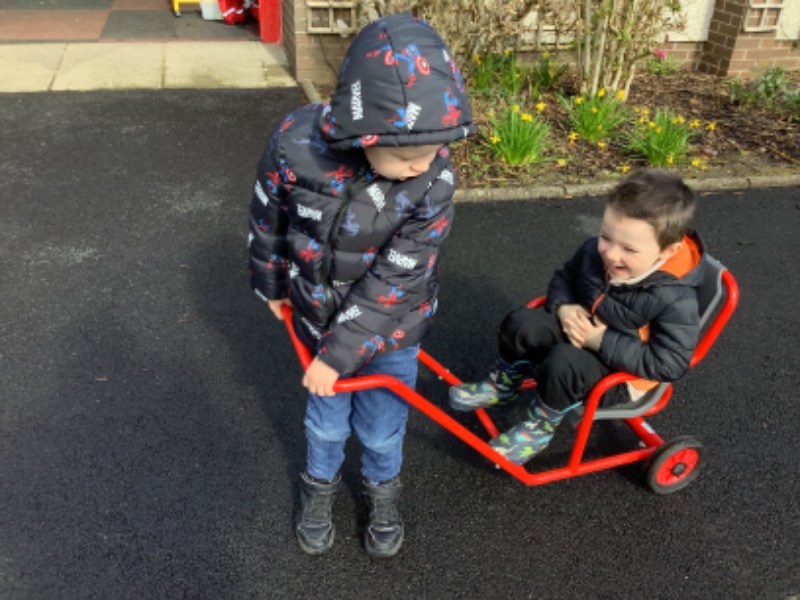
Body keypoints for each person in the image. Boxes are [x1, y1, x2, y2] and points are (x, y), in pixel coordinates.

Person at [248, 14, 474, 557]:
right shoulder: (294, 143)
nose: (422, 164)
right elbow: (268, 217)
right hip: (317, 316)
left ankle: (382, 492)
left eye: (433, 151)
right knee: (325, 424)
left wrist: (335, 357)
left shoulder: (433, 178)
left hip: (393, 328)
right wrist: (272, 282)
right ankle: (319, 488)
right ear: (362, 131)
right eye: (406, 157)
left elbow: (398, 276)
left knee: (380, 425)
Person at [449, 168, 707, 465]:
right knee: (523, 322)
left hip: (621, 376)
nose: (611, 254)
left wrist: (601, 340)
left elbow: (670, 364)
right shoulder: (595, 253)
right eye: (606, 237)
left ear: (668, 251)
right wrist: (563, 306)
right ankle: (503, 384)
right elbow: (566, 277)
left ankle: (539, 427)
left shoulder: (675, 298)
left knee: (563, 363)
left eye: (628, 249)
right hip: (580, 332)